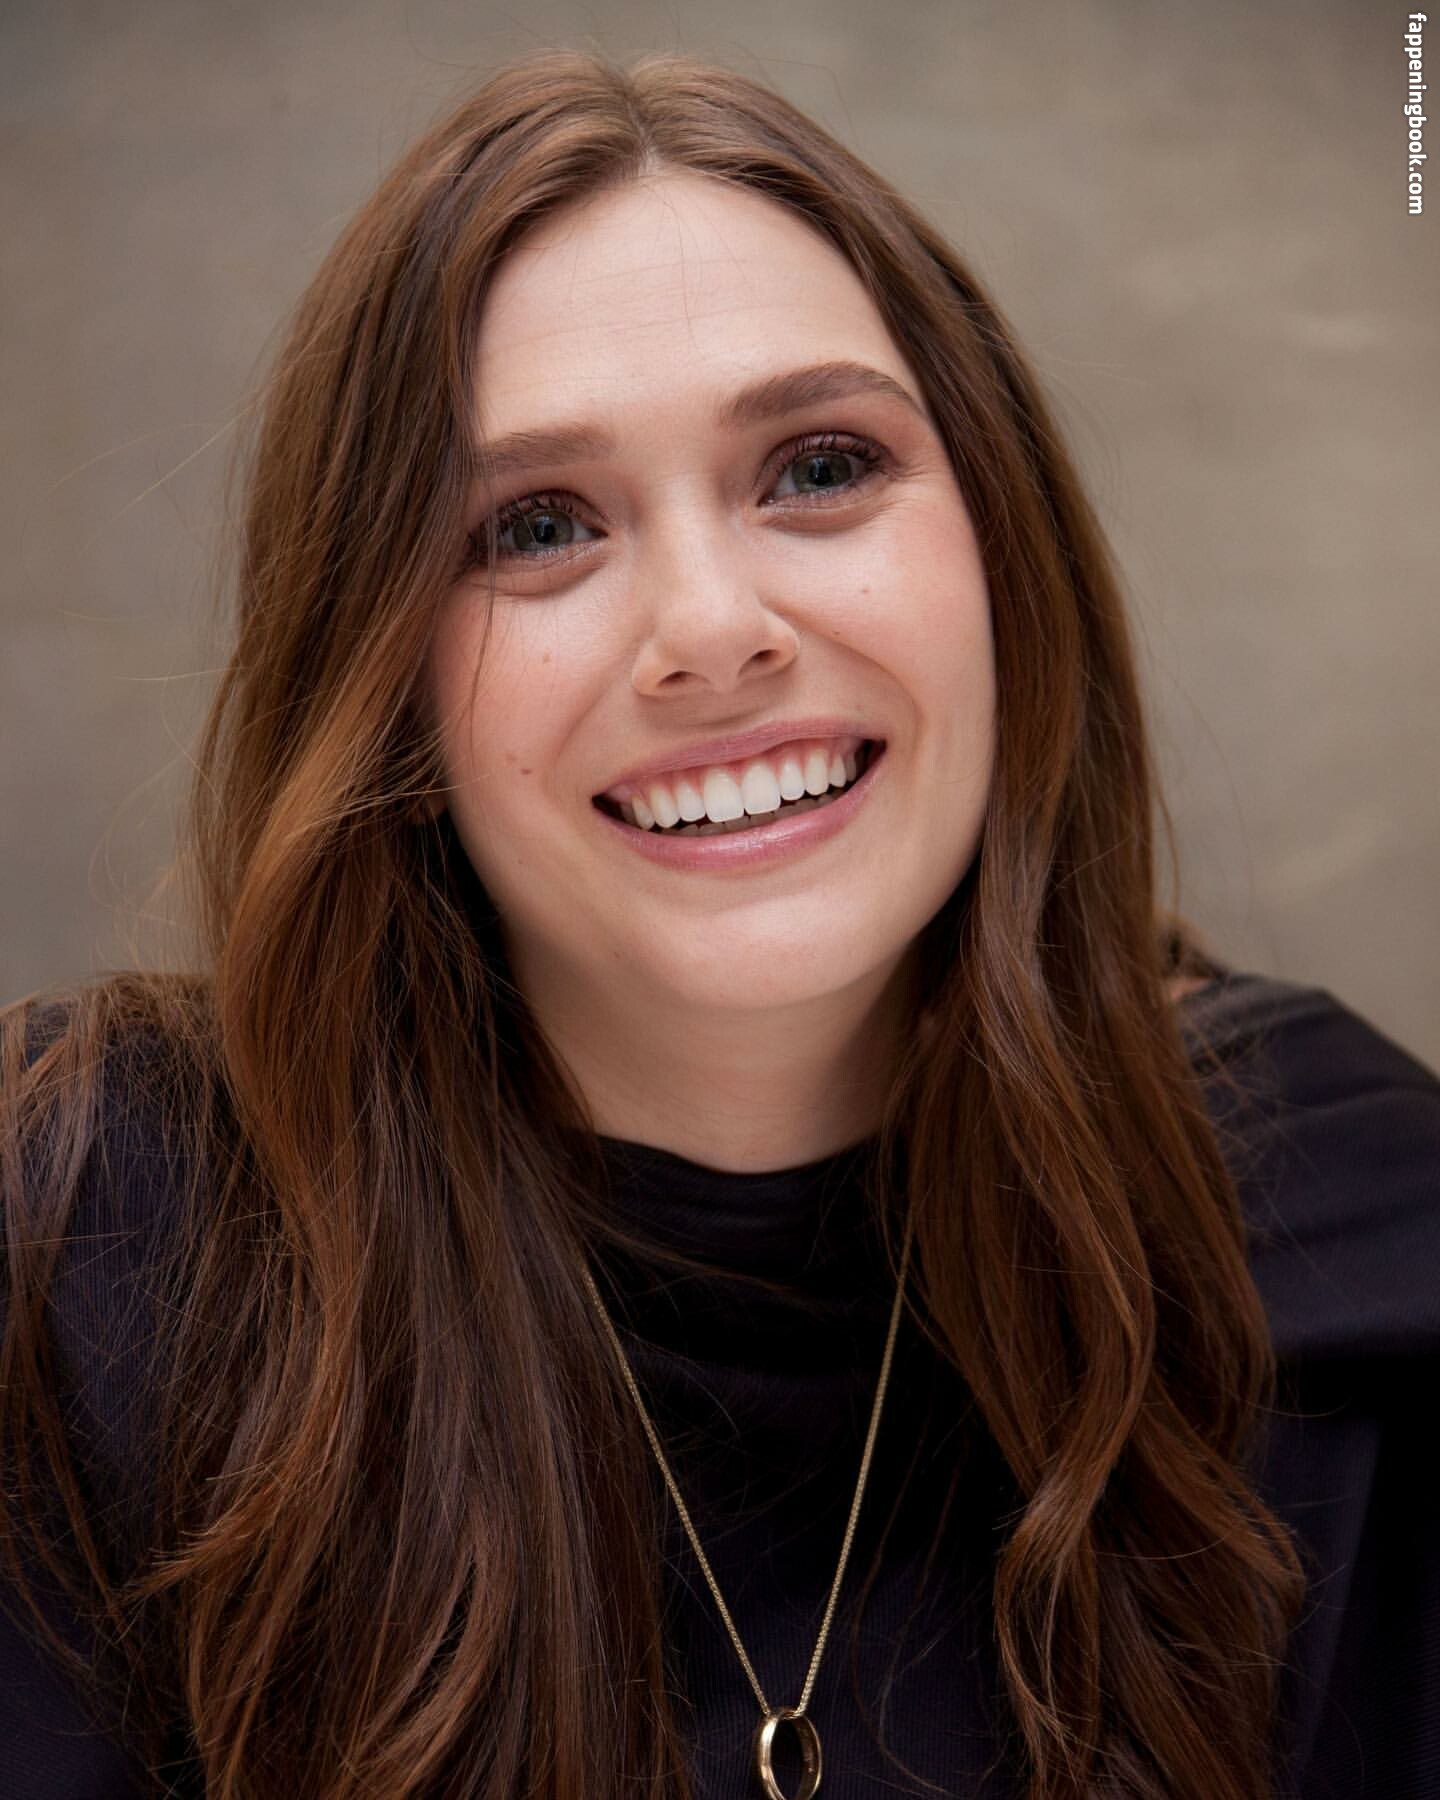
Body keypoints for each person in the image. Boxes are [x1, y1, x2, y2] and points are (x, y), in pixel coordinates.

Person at [1, 46, 1436, 1800]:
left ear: (1006, 557)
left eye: (819, 467)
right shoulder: (93, 1243)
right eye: (538, 525)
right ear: (385, 694)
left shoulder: (1355, 1230)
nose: (710, 629)